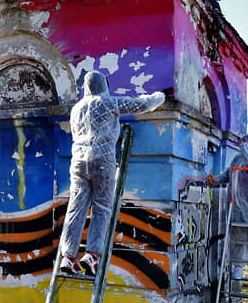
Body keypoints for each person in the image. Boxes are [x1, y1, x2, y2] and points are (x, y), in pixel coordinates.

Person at [59, 71, 167, 275]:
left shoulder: (76, 109)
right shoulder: (109, 103)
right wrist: (160, 96)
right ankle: (92, 255)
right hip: (102, 161)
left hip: (78, 163)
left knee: (75, 209)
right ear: (103, 86)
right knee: (101, 208)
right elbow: (140, 105)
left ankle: (67, 257)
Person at [209, 134, 248, 281]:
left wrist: (244, 147)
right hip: (237, 203)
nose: (241, 145)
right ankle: (238, 268)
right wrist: (216, 180)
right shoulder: (238, 158)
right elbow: (229, 173)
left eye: (245, 143)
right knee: (237, 237)